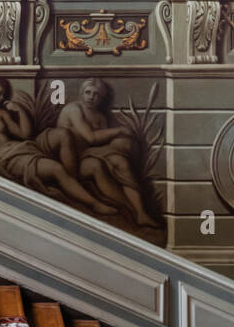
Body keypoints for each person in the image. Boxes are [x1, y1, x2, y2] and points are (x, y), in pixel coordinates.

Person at [0, 77, 116, 215]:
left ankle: (73, 183)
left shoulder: (1, 113)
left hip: (21, 149)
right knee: (56, 168)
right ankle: (93, 203)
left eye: (3, 94)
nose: (2, 97)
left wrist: (19, 111)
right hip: (3, 159)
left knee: (63, 138)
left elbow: (24, 134)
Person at [58, 78, 160, 227]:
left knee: (121, 162)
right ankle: (130, 209)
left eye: (96, 95)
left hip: (88, 154)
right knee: (96, 165)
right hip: (72, 161)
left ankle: (141, 213)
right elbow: (91, 137)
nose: (91, 97)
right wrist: (119, 130)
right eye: (88, 92)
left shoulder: (100, 117)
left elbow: (102, 143)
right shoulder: (73, 109)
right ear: (82, 93)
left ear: (102, 98)